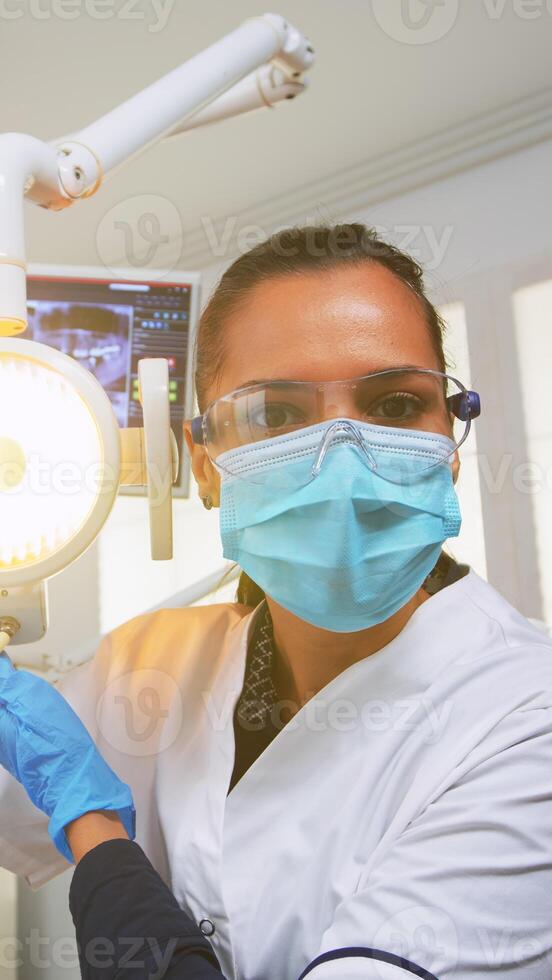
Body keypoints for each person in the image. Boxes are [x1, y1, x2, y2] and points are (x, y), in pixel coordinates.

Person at [1, 223, 552, 980]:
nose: (343, 461)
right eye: (278, 414)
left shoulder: (528, 721)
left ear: (452, 445)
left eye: (393, 404)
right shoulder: (149, 661)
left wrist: (98, 832)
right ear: (204, 464)